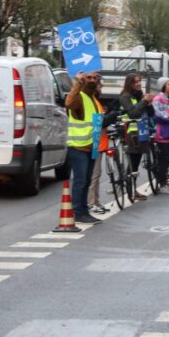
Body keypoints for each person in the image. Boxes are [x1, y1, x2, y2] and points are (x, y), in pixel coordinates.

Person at [64, 71, 105, 223]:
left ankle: (84, 210)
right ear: (83, 80)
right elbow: (69, 103)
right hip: (78, 146)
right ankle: (78, 212)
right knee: (81, 180)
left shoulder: (91, 98)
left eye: (95, 78)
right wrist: (77, 83)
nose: (92, 80)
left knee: (87, 181)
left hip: (91, 146)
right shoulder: (79, 96)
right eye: (89, 78)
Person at [119, 73, 151, 201]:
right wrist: (144, 101)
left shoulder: (139, 95)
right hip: (131, 133)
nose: (138, 83)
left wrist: (149, 103)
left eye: (139, 81)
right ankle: (130, 190)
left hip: (141, 132)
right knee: (133, 163)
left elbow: (149, 112)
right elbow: (133, 113)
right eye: (135, 82)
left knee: (135, 164)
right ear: (129, 83)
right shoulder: (125, 97)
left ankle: (131, 189)